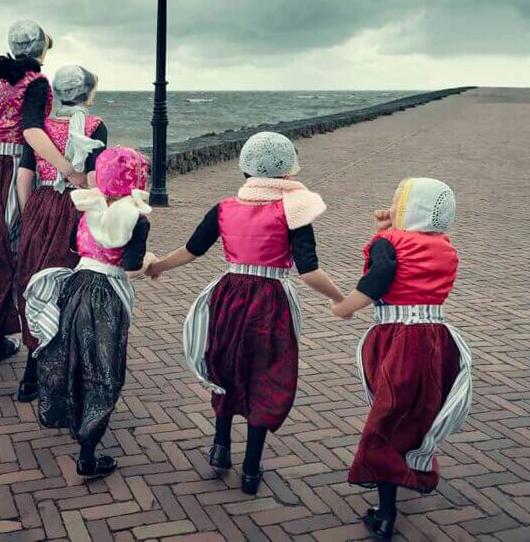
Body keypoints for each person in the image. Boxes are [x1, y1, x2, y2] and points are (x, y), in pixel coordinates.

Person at [147, 132, 346, 494]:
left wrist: (159, 266)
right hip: (270, 302)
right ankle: (251, 469)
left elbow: (191, 250)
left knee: (224, 367)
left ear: (245, 170)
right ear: (287, 173)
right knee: (265, 377)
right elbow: (309, 270)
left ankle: (220, 449)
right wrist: (340, 298)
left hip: (229, 296)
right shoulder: (293, 209)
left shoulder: (224, 208)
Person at [332, 178, 471, 540]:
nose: (391, 208)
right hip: (436, 341)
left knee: (386, 419)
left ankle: (385, 514)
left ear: (413, 210)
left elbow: (379, 278)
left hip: (397, 341)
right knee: (414, 413)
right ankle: (412, 468)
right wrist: (385, 232)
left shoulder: (389, 244)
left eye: (398, 203)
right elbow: (412, 270)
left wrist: (346, 306)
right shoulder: (446, 248)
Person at [0, 20, 83, 365]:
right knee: (13, 254)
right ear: (40, 48)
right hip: (12, 170)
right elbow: (31, 132)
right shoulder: (35, 82)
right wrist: (68, 169)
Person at [24, 147, 154, 478]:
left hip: (76, 286)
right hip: (107, 295)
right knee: (103, 369)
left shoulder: (88, 209)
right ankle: (87, 453)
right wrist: (151, 261)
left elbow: (74, 246)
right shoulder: (136, 219)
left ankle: (67, 416)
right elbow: (131, 268)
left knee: (71, 356)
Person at [13, 65, 107, 402]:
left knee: (35, 284)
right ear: (88, 93)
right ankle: (61, 373)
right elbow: (94, 181)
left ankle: (29, 377)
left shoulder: (41, 128)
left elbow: (24, 177)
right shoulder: (95, 126)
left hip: (41, 206)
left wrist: (30, 215)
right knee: (66, 286)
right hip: (73, 208)